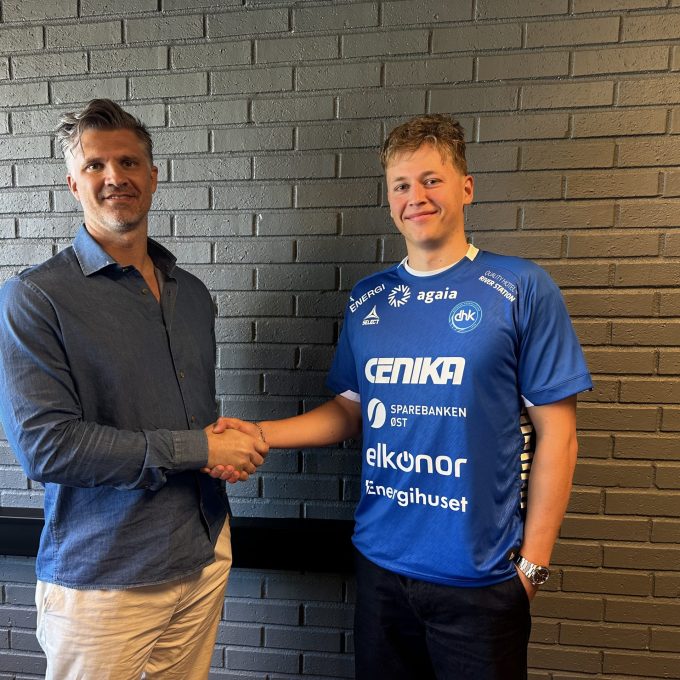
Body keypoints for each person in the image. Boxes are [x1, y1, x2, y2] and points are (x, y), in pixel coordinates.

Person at [209, 114, 593, 679]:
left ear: (466, 187)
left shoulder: (520, 287)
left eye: (432, 180)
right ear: (390, 198)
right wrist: (260, 434)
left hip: (482, 578)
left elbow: (560, 435)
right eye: (402, 184)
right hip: (381, 569)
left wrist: (532, 567)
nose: (417, 197)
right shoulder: (369, 299)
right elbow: (349, 411)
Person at [0, 99, 268, 680]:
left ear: (153, 175)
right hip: (104, 578)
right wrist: (200, 448)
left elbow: (192, 419)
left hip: (203, 553)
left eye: (128, 162)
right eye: (95, 165)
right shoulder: (35, 298)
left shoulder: (192, 294)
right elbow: (46, 448)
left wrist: (218, 450)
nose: (114, 177)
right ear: (73, 183)